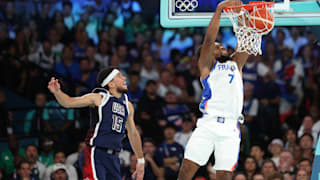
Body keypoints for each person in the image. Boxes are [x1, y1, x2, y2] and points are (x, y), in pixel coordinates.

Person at [177, 0, 251, 179]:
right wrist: (219, 10)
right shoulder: (207, 66)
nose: (221, 46)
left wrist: (241, 15)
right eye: (217, 47)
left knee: (224, 175)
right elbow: (209, 40)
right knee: (187, 170)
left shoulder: (236, 64)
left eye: (221, 45)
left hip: (231, 126)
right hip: (208, 124)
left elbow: (246, 40)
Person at [47, 67, 144, 180]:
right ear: (111, 84)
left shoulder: (128, 106)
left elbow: (133, 133)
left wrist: (141, 160)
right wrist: (57, 92)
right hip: (95, 152)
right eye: (119, 76)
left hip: (114, 157)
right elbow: (68, 102)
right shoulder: (99, 98)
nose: (124, 78)